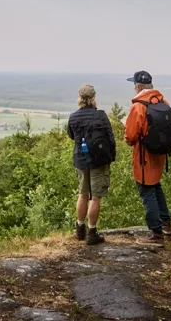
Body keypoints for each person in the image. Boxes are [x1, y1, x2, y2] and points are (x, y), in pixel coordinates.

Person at [123, 70, 171, 244]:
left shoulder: (139, 106)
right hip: (160, 154)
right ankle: (166, 223)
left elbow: (130, 136)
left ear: (138, 86)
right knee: (155, 187)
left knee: (147, 191)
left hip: (144, 155)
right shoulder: (163, 101)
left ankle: (156, 233)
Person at [66, 84, 115, 245]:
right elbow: (110, 137)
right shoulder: (100, 115)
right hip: (98, 161)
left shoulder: (73, 117)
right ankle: (92, 232)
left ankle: (79, 230)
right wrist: (110, 157)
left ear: (79, 98)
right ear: (93, 98)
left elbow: (72, 136)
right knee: (95, 197)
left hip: (81, 159)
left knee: (83, 194)